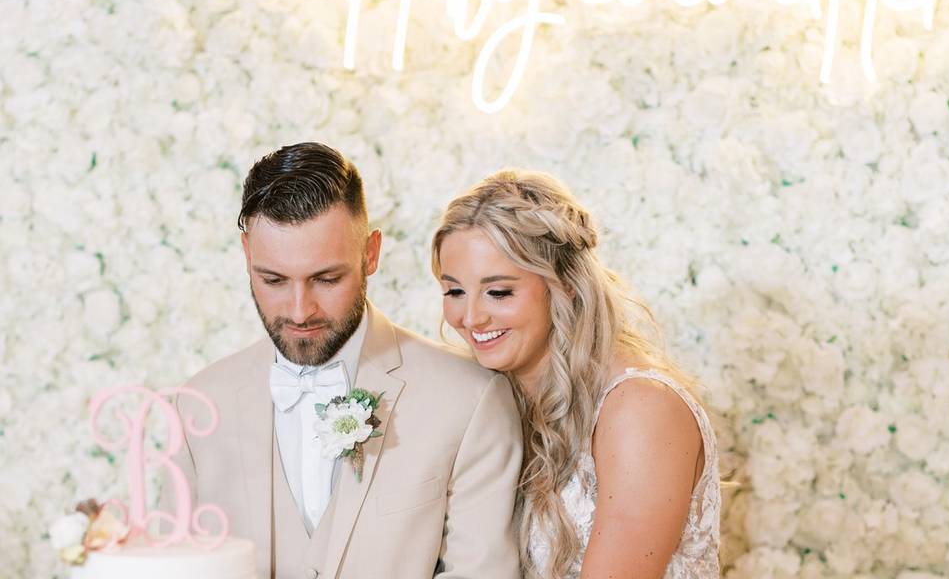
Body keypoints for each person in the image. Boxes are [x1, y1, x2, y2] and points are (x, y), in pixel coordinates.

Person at [167, 143, 523, 579]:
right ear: (246, 254)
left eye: (326, 278)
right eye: (273, 280)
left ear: (370, 253)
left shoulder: (470, 399)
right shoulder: (197, 405)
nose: (300, 310)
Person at [431, 169, 720, 579]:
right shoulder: (491, 400)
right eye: (454, 291)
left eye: (499, 292)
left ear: (564, 284)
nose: (472, 316)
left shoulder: (641, 409)